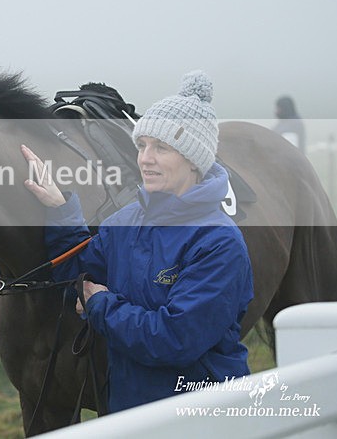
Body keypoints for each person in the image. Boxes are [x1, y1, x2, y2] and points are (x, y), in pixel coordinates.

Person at [21, 70, 254, 413]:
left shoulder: (219, 242)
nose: (145, 158)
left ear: (193, 160)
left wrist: (100, 305)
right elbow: (79, 272)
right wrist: (61, 208)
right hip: (130, 414)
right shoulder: (127, 220)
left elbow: (173, 339)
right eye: (143, 146)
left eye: (161, 148)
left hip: (200, 417)